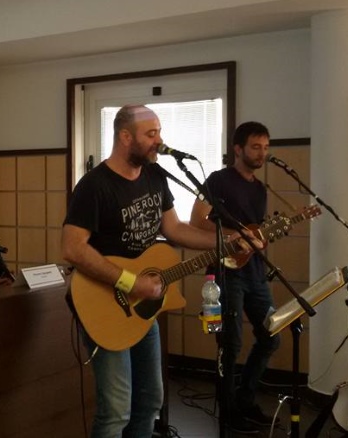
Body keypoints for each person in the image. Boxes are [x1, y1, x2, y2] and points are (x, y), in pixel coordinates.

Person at [61, 104, 255, 437]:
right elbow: (72, 248)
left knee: (151, 399)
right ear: (125, 137)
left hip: (141, 309)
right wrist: (130, 282)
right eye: (151, 134)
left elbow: (175, 229)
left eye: (160, 132)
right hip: (104, 303)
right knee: (116, 411)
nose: (159, 141)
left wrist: (228, 240)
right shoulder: (94, 185)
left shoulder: (155, 176)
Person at [190, 121, 279, 434]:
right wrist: (234, 235)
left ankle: (245, 399)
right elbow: (196, 220)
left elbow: (256, 232)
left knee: (272, 336)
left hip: (255, 274)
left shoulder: (260, 189)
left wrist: (260, 240)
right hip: (226, 274)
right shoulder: (218, 180)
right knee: (230, 343)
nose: (262, 153)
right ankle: (228, 412)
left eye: (265, 147)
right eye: (256, 147)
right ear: (238, 149)